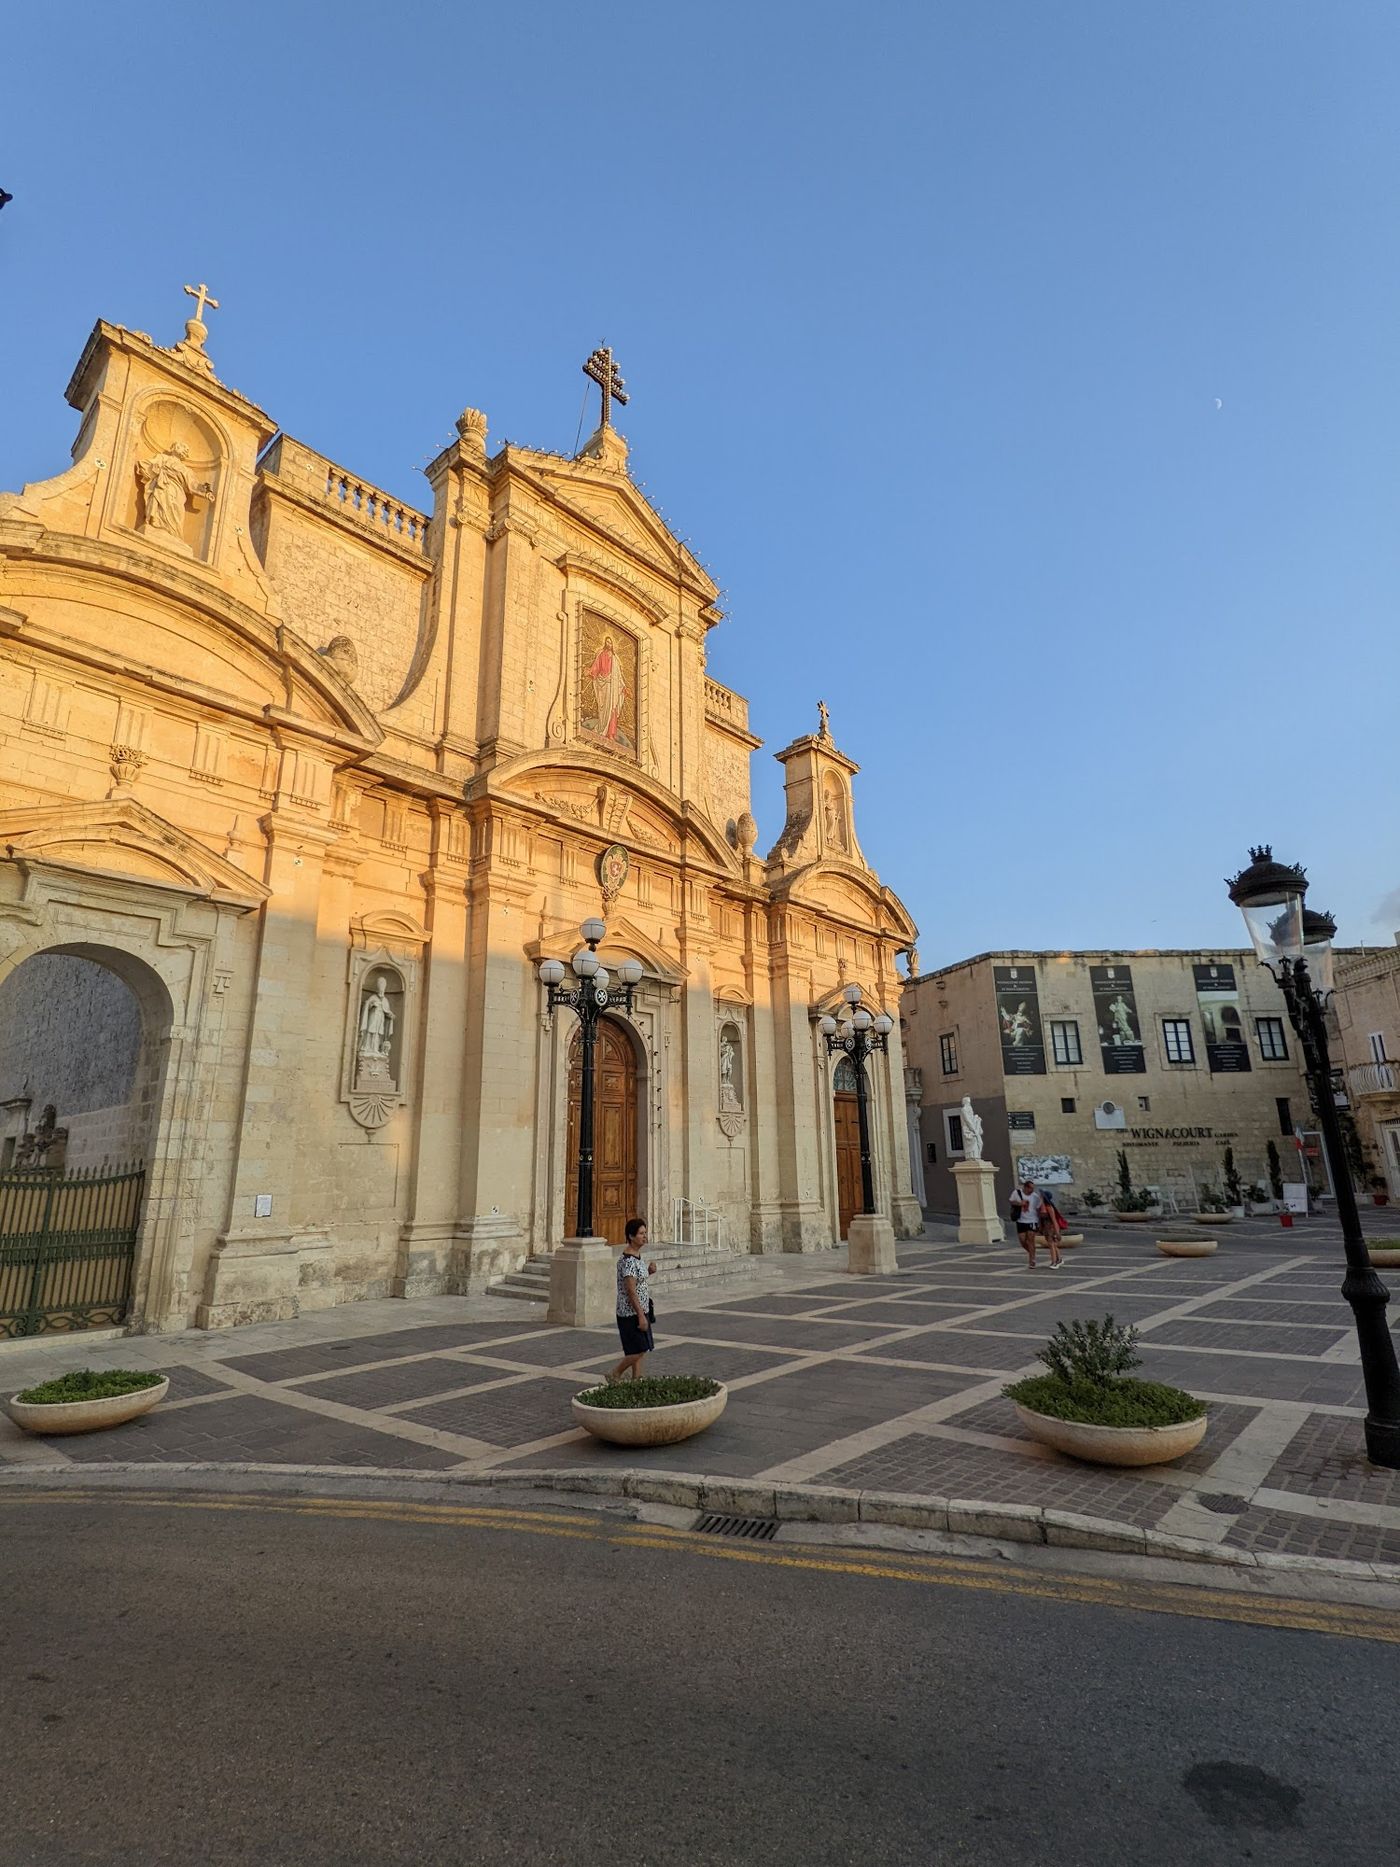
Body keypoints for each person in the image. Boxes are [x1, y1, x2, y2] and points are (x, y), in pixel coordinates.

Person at [608, 1218, 658, 1382]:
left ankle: (637, 1379)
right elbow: (630, 1290)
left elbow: (636, 1282)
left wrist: (648, 1272)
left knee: (640, 1348)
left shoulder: (636, 1256)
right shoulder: (628, 1261)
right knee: (638, 1350)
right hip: (631, 1312)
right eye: (641, 1234)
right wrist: (641, 1315)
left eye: (645, 1233)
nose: (645, 1237)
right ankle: (615, 1373)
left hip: (641, 1309)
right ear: (631, 1236)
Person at [1009, 1178, 1058, 1269]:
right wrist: (1020, 1203)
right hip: (1020, 1220)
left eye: (1033, 1188)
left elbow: (1040, 1209)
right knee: (1022, 1240)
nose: (1032, 1190)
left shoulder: (1035, 1196)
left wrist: (1041, 1222)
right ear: (1025, 1187)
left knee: (1031, 1240)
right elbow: (1011, 1201)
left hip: (1032, 1221)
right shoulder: (1017, 1193)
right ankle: (1032, 1252)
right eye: (1030, 1188)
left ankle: (1032, 1260)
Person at [1037, 1189, 1066, 1270]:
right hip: (1046, 1227)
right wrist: (1040, 1228)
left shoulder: (1049, 1207)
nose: (1039, 1197)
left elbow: (1054, 1220)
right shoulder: (1040, 1207)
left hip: (1051, 1227)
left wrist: (1057, 1232)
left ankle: (1054, 1262)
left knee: (1051, 1244)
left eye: (1041, 1196)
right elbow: (1040, 1219)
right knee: (1052, 1244)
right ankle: (1059, 1259)